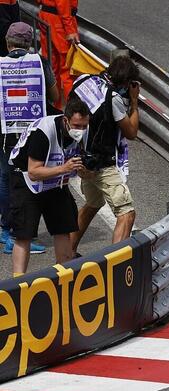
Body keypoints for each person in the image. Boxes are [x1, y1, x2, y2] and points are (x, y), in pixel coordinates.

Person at [7, 96, 88, 276]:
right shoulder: (43, 132)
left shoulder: (84, 132)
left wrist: (83, 170)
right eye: (77, 126)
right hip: (27, 179)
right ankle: (18, 281)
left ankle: (64, 275)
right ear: (66, 120)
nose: (80, 130)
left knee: (64, 228)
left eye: (84, 126)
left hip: (56, 180)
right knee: (24, 234)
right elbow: (34, 172)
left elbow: (83, 171)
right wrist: (64, 168)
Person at [69, 55, 139, 253]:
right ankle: (115, 266)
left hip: (81, 158)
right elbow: (131, 132)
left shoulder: (84, 81)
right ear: (125, 82)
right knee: (126, 213)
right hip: (102, 163)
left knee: (93, 203)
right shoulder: (114, 99)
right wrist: (133, 102)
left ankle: (66, 255)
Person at [0, 21, 59, 254]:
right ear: (29, 43)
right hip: (32, 131)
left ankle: (6, 230)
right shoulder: (40, 63)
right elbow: (54, 95)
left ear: (7, 42)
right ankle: (17, 235)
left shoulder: (0, 65)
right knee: (26, 179)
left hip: (4, 131)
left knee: (5, 178)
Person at [38, 0, 79, 106]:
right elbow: (63, 4)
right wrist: (70, 29)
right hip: (59, 22)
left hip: (46, 16)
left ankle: (53, 107)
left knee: (51, 66)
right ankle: (73, 111)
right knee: (68, 69)